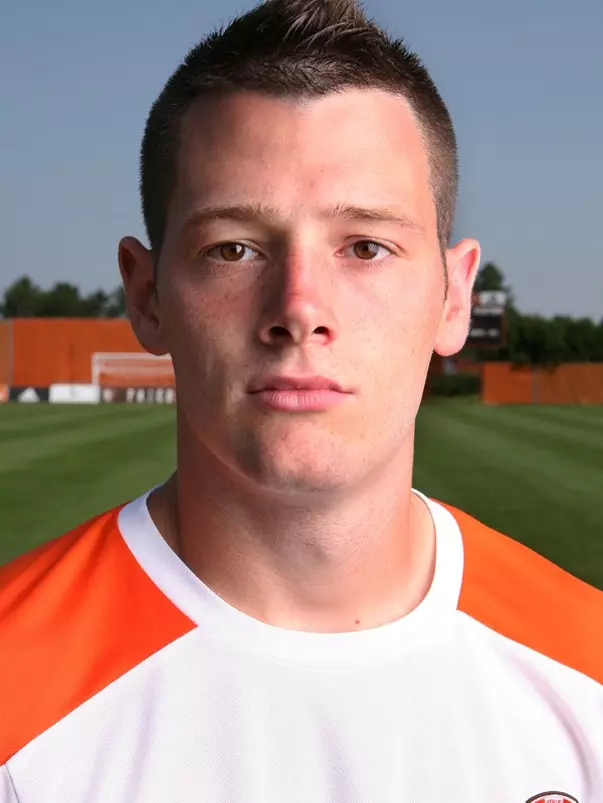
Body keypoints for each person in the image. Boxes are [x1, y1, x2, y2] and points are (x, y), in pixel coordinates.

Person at [1, 0, 601, 800]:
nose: (299, 306)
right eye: (234, 247)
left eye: (365, 246)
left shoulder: (585, 674)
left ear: (454, 297)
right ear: (146, 296)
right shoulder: (15, 693)